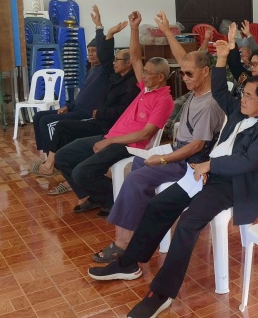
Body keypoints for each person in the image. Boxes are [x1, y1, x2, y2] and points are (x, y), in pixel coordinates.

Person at [88, 57, 258, 318]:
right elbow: (220, 89)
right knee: (158, 204)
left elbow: (247, 162)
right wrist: (221, 59)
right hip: (208, 173)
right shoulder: (240, 111)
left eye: (248, 96)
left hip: (234, 184)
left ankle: (161, 293)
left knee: (188, 222)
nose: (242, 99)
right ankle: (128, 262)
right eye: (243, 94)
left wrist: (209, 166)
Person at [91, 11, 226, 263]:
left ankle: (123, 244)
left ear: (206, 72)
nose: (184, 78)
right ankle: (143, 221)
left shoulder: (209, 104)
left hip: (189, 162)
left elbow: (196, 146)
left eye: (189, 74)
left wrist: (163, 159)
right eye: (182, 73)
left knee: (135, 179)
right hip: (178, 151)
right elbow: (183, 58)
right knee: (137, 165)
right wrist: (165, 31)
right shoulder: (198, 89)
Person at [54, 12, 175, 214]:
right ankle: (95, 197)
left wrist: (109, 142)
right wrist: (134, 28)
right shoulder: (145, 88)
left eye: (147, 73)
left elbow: (145, 134)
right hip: (112, 137)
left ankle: (113, 202)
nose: (143, 75)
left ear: (160, 77)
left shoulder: (164, 100)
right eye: (144, 71)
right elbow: (135, 58)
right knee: (63, 156)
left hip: (129, 146)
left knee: (81, 172)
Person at [33, 47, 139, 193]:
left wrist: (100, 112)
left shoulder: (126, 83)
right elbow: (83, 96)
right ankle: (59, 168)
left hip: (106, 125)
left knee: (60, 126)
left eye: (117, 60)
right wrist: (69, 106)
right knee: (58, 129)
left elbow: (121, 111)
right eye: (113, 60)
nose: (114, 63)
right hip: (99, 120)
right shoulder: (112, 77)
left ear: (129, 63)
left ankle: (51, 166)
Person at [30, 5, 119, 162]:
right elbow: (82, 95)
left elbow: (106, 52)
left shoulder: (107, 70)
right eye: (89, 51)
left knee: (46, 121)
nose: (91, 54)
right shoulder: (91, 70)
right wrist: (68, 106)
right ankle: (45, 154)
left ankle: (52, 160)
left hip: (87, 114)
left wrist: (99, 27)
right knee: (38, 116)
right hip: (76, 109)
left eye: (94, 51)